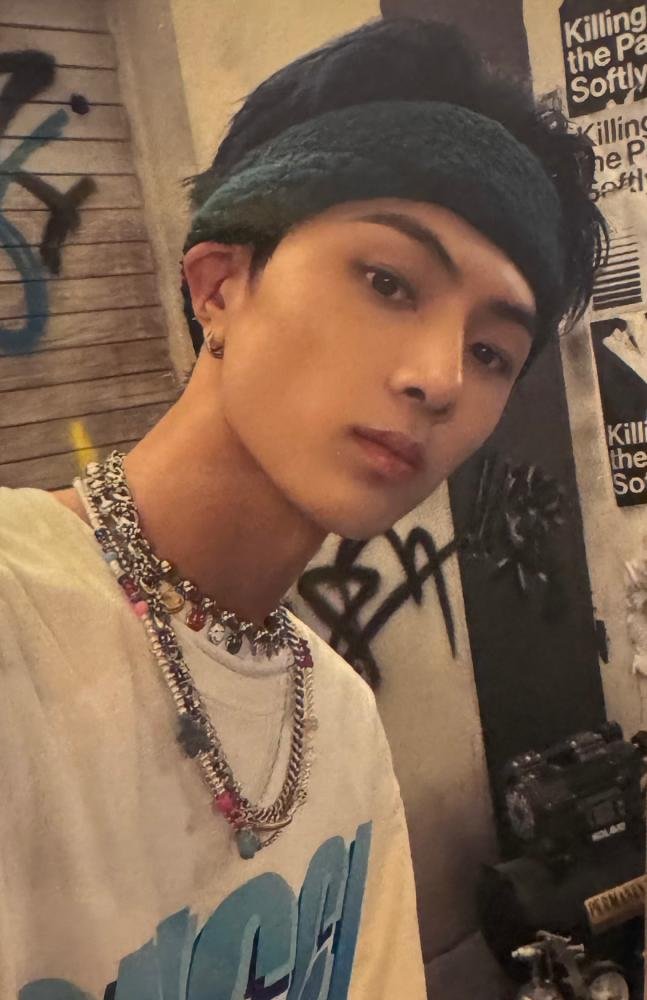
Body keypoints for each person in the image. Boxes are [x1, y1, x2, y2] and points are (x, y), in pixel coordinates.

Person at [0, 15, 607, 1000]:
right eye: (387, 281)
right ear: (219, 283)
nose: (439, 377)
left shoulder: (336, 721)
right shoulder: (18, 619)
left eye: (491, 351)